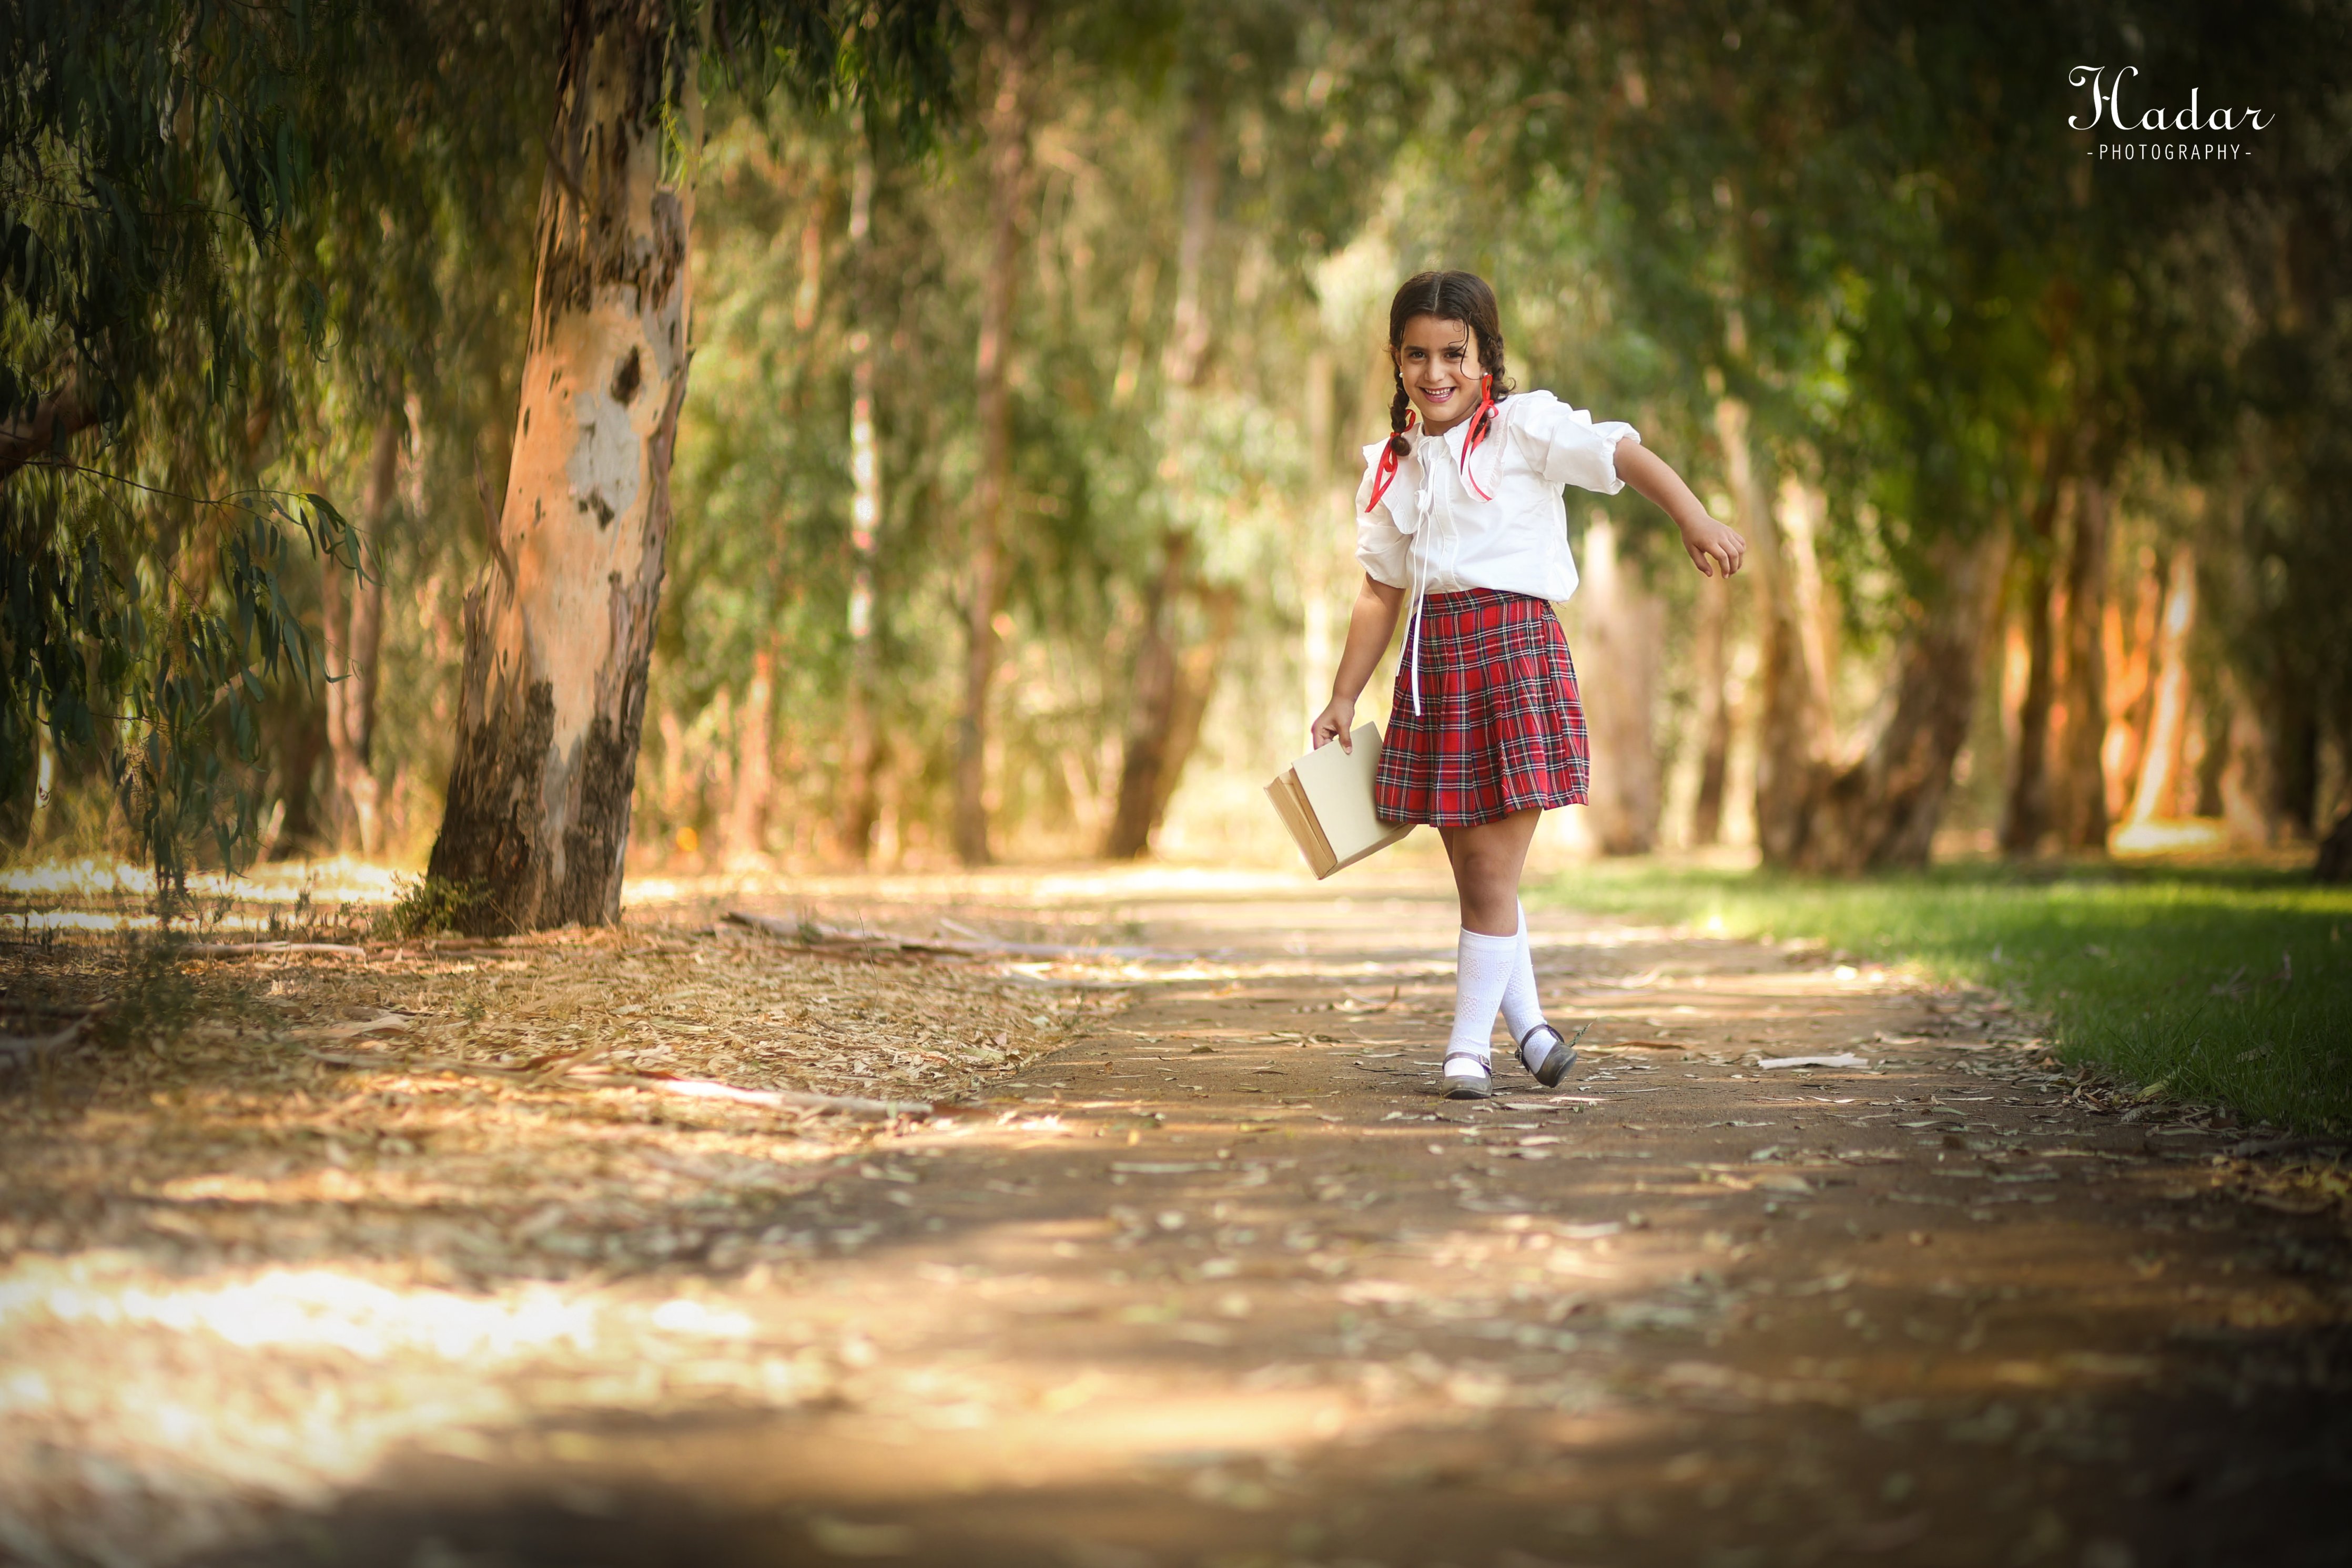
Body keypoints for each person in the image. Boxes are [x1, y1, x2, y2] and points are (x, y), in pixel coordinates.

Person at [1310, 270, 1746, 1100]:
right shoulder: (1393, 467)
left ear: (1485, 358)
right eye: (1417, 355)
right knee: (1483, 876)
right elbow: (1379, 591)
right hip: (1434, 667)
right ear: (1397, 361)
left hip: (1514, 658)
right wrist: (1343, 695)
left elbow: (1621, 453)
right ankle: (1535, 1032)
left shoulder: (1523, 430)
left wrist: (1694, 515)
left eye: (1454, 354)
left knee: (1488, 873)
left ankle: (1466, 1050)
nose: (1435, 373)